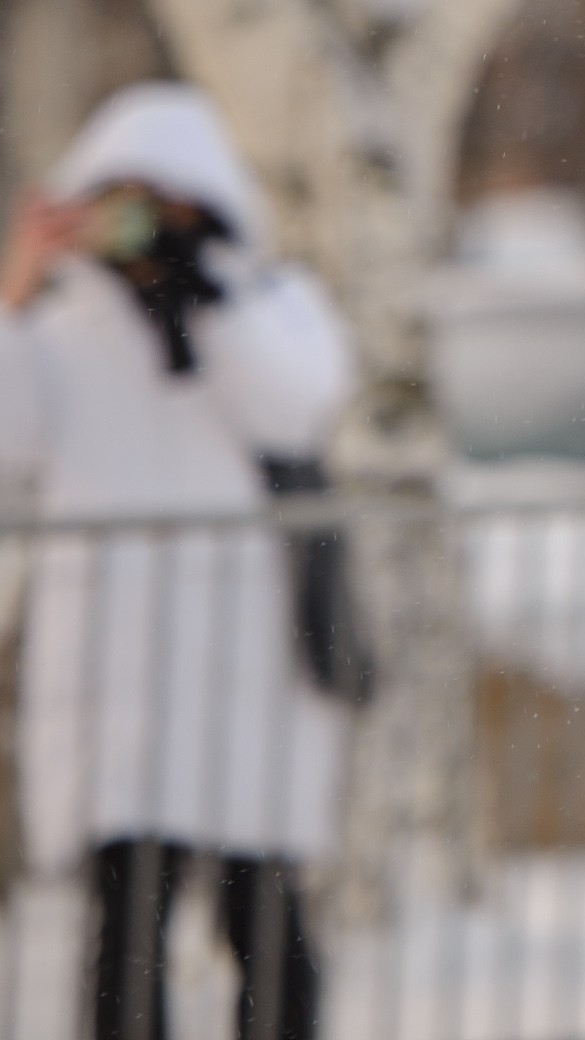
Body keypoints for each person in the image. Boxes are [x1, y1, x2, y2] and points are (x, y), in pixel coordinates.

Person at [0, 85, 354, 1040]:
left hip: (251, 673)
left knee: (267, 920)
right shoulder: (62, 335)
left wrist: (203, 302)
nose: (145, 225)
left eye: (166, 202)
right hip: (116, 678)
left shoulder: (271, 304)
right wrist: (18, 285)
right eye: (122, 200)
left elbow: (298, 404)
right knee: (126, 932)